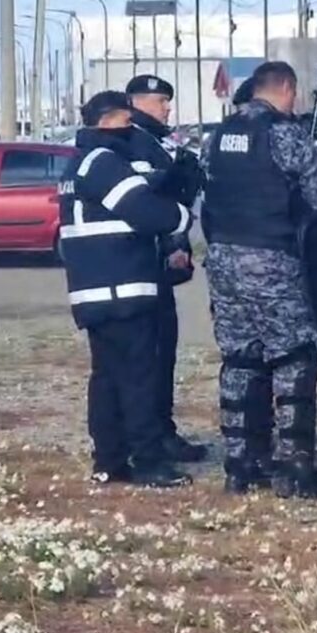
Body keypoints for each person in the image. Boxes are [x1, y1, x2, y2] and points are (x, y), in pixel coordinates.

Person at [202, 61, 317, 498]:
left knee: (241, 360)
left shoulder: (217, 136)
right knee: (293, 359)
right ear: (286, 88)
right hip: (271, 259)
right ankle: (294, 467)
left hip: (224, 259)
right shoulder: (285, 136)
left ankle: (241, 464)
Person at [57, 91, 194, 488]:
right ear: (112, 120)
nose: (131, 129)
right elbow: (144, 211)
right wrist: (182, 214)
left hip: (96, 289)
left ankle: (110, 460)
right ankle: (148, 460)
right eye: (126, 121)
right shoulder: (103, 161)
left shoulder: (78, 162)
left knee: (108, 377)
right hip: (120, 285)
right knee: (137, 377)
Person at [124, 74, 208, 462]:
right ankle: (152, 434)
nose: (167, 108)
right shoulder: (134, 142)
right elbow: (150, 199)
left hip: (158, 258)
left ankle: (160, 428)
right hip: (144, 261)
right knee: (152, 353)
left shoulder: (154, 141)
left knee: (163, 350)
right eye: (160, 101)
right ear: (138, 102)